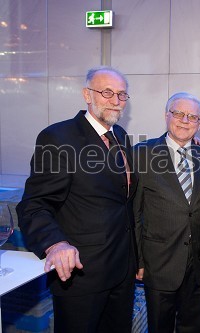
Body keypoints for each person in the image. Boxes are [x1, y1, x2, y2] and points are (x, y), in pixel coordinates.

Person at [16, 66, 137, 332]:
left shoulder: (121, 137)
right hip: (82, 274)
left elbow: (122, 204)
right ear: (87, 94)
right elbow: (35, 204)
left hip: (122, 272)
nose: (116, 101)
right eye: (107, 92)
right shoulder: (58, 137)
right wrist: (55, 244)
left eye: (122, 95)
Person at [133, 92, 200, 333]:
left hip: (198, 263)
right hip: (158, 261)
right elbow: (134, 213)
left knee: (192, 326)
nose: (185, 120)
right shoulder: (141, 153)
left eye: (193, 116)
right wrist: (138, 260)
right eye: (178, 113)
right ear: (166, 115)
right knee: (159, 326)